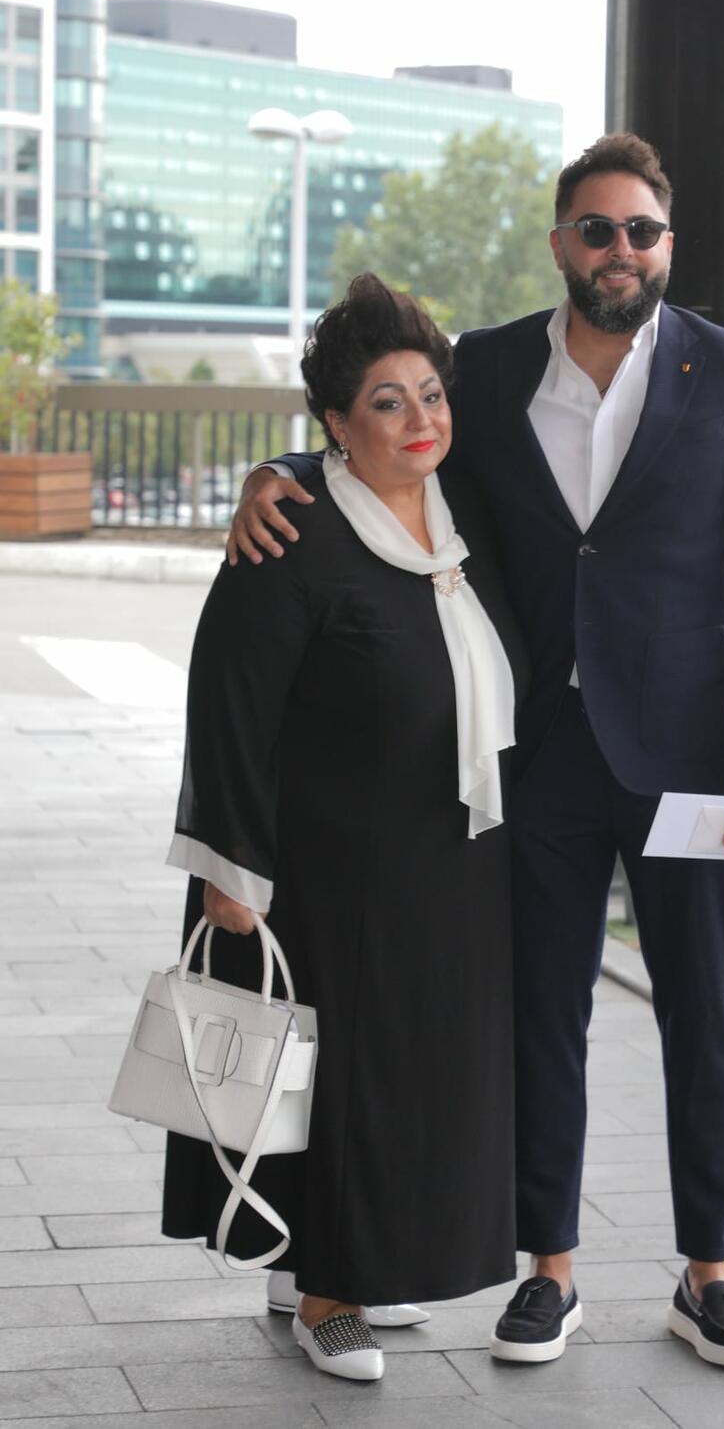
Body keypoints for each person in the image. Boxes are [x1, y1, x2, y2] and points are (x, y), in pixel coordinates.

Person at [228, 133, 724, 1369]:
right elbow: (388, 431)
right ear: (561, 243)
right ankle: (548, 1270)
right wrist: (275, 471)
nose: (620, 250)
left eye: (641, 230)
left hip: (700, 764)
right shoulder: (490, 367)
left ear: (668, 245)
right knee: (539, 1016)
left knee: (706, 1016)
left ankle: (709, 1274)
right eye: (596, 229)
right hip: (538, 754)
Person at [162, 274, 528, 1382]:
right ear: (336, 421)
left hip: (448, 858)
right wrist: (230, 869)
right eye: (386, 401)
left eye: (431, 395)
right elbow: (229, 702)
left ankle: (354, 1262)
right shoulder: (296, 530)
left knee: (416, 1077)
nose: (420, 420)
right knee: (346, 1077)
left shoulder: (459, 512)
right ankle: (327, 1294)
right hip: (327, 869)